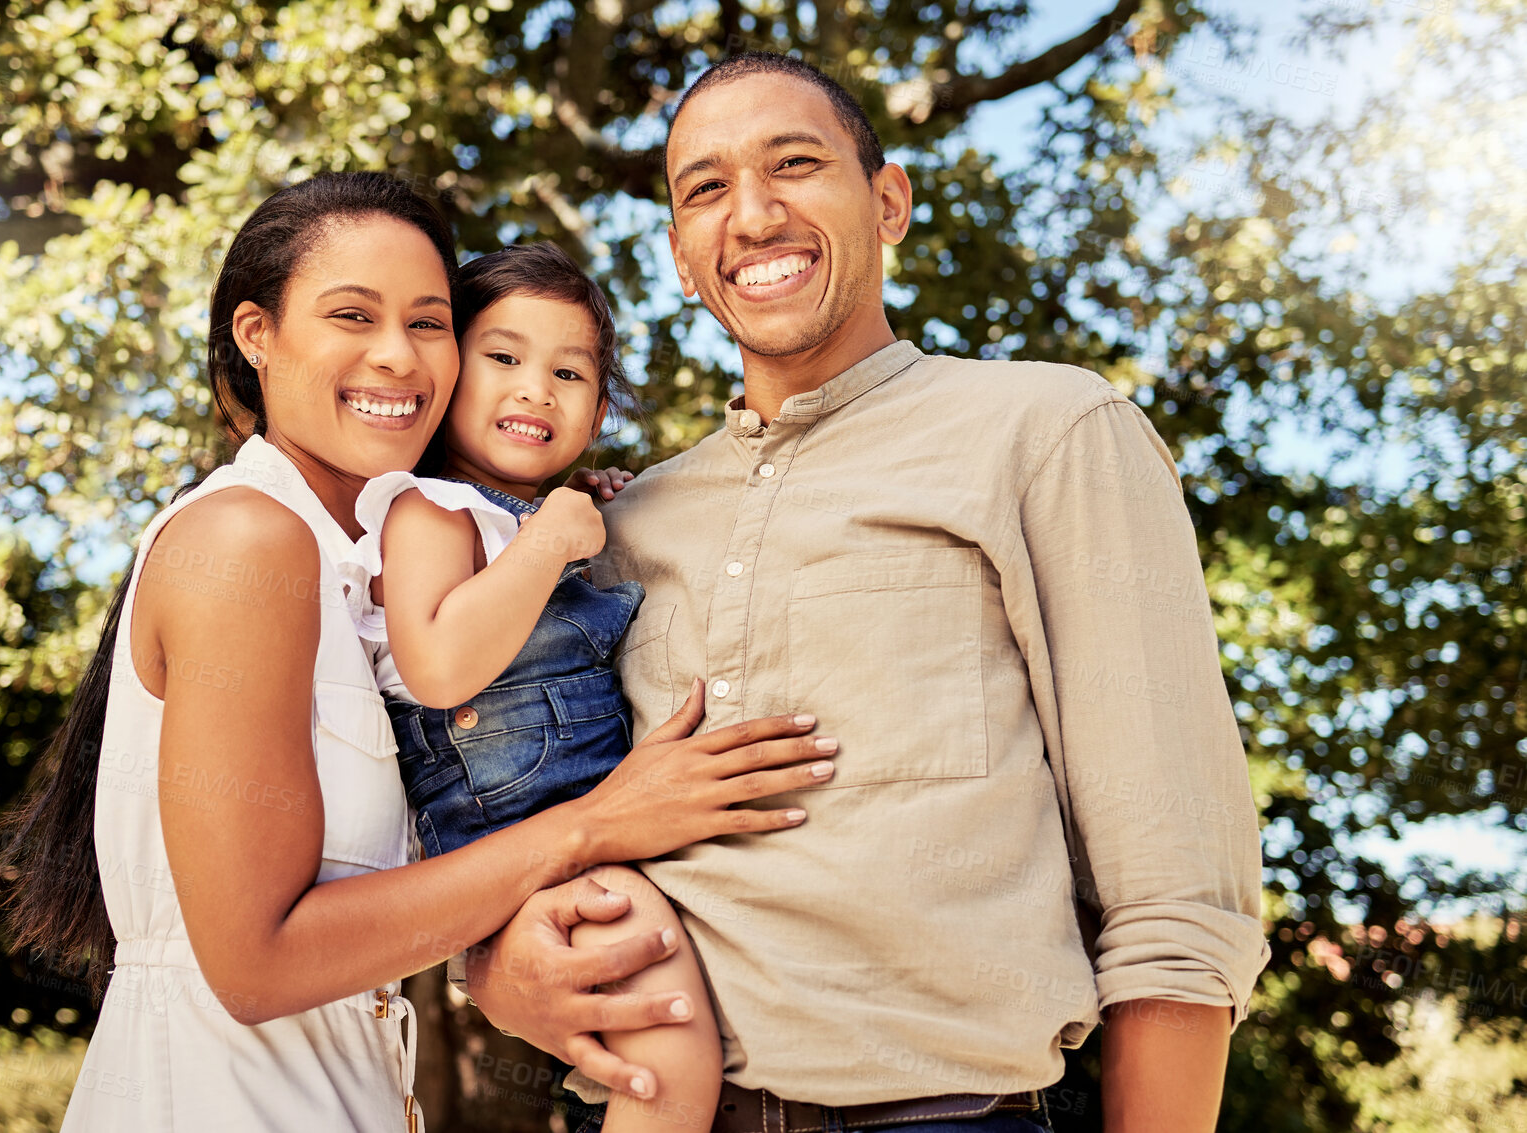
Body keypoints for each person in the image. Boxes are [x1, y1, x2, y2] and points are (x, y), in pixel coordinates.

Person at [465, 52, 1270, 1133]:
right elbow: (516, 799)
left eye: (793, 164)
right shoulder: (612, 528)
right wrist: (491, 963)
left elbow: (1177, 894)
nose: (750, 215)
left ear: (886, 201)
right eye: (704, 189)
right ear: (681, 258)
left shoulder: (1047, 431)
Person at [0, 170, 837, 1132]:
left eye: (428, 323)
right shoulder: (246, 541)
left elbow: (413, 877)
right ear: (255, 334)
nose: (397, 357)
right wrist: (596, 823)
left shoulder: (375, 567)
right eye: (352, 315)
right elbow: (258, 965)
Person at [357, 240, 735, 1131]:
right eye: (502, 358)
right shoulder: (428, 509)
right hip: (514, 840)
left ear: (597, 410)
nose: (534, 389)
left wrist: (575, 512)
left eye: (567, 372)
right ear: (446, 376)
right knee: (669, 1056)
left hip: (586, 823)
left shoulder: (545, 510)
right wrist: (549, 536)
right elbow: (439, 664)